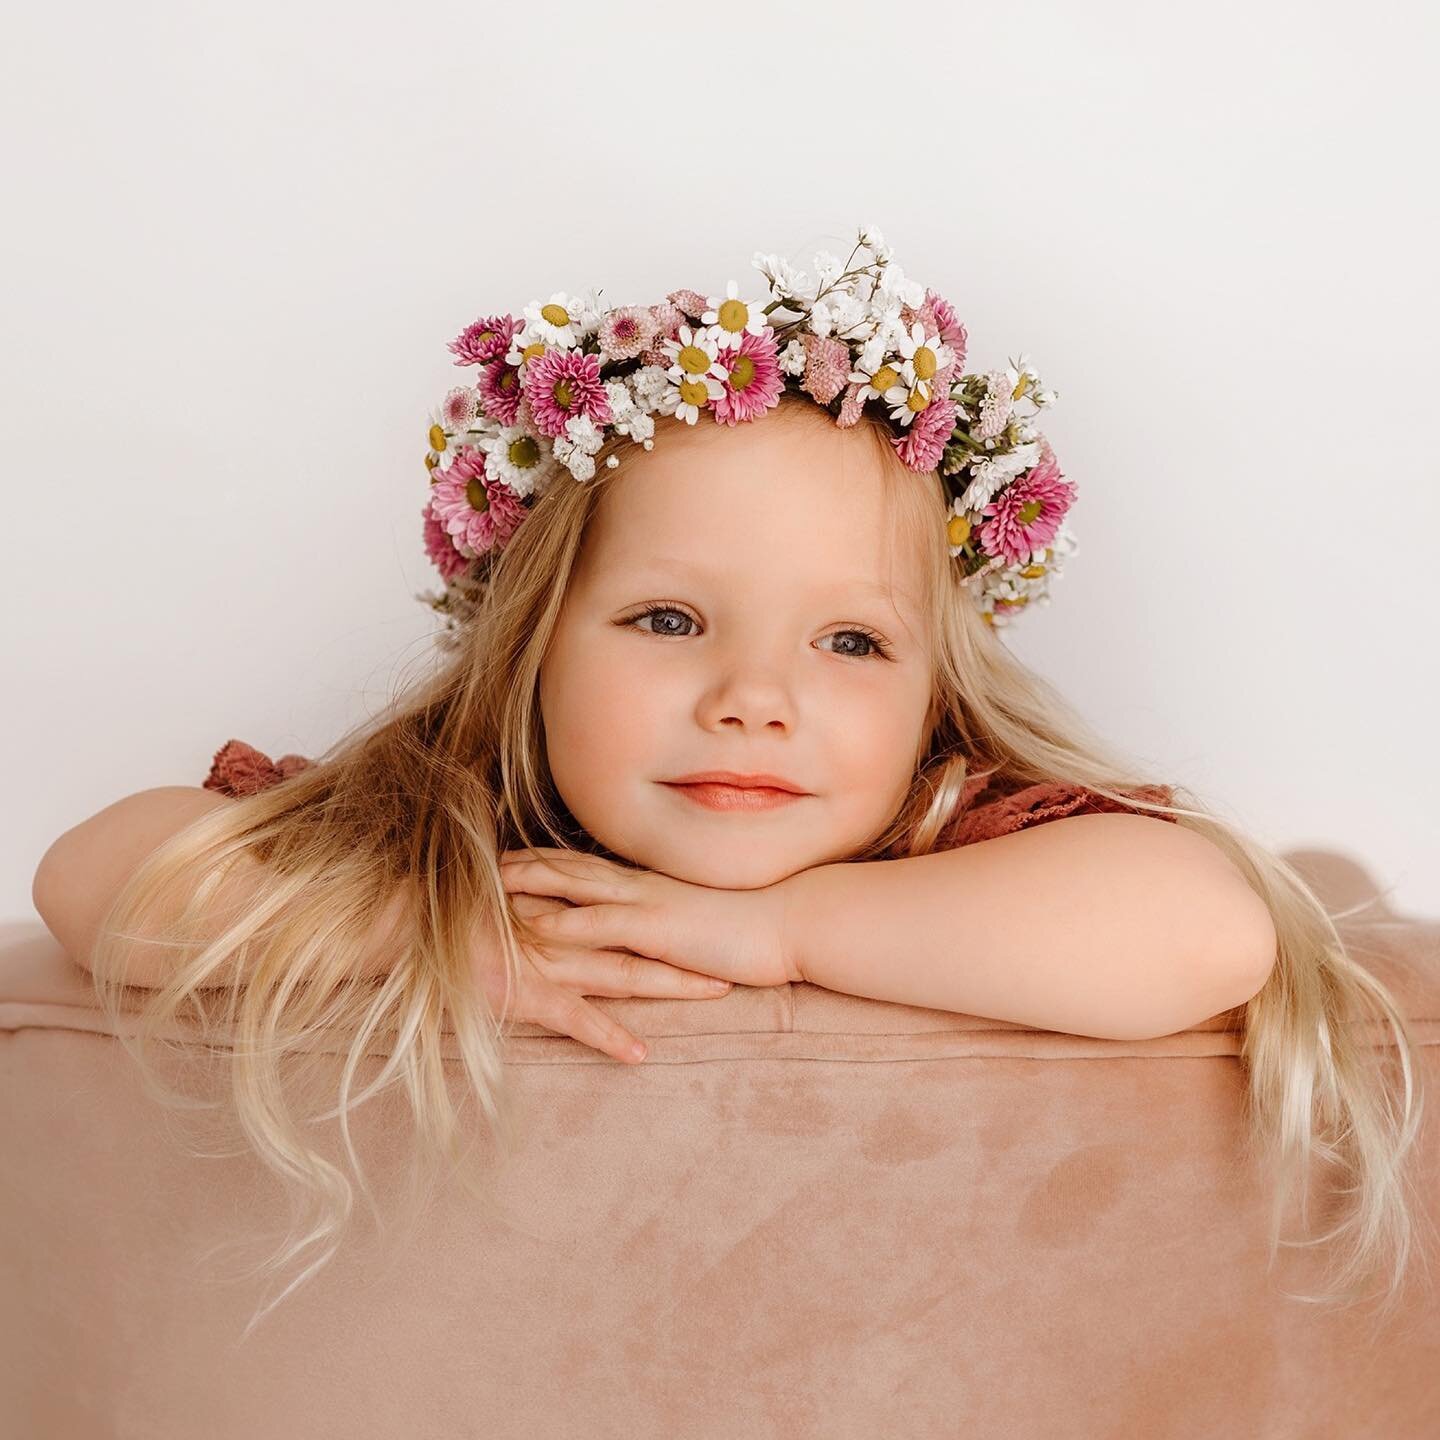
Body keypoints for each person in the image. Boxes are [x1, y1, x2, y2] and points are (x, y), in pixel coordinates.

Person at [30, 227, 1429, 1333]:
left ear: (935, 696)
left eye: (849, 640)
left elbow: (1210, 930)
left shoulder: (954, 827)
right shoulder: (470, 835)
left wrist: (778, 931)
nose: (754, 700)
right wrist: (434, 927)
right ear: (531, 649)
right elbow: (97, 877)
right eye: (670, 621)